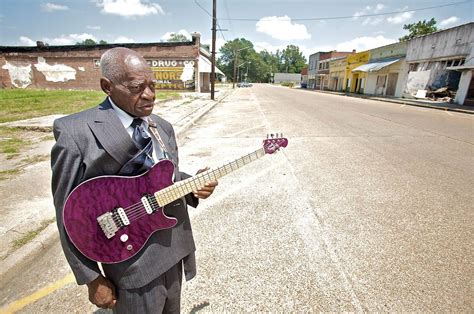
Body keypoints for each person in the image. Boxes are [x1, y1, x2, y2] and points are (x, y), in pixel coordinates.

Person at [51, 47, 218, 313]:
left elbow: (162, 177)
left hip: (173, 248)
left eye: (153, 85)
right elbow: (68, 214)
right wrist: (92, 278)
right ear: (107, 86)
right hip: (130, 267)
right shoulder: (76, 133)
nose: (150, 95)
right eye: (137, 87)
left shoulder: (161, 126)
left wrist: (192, 186)